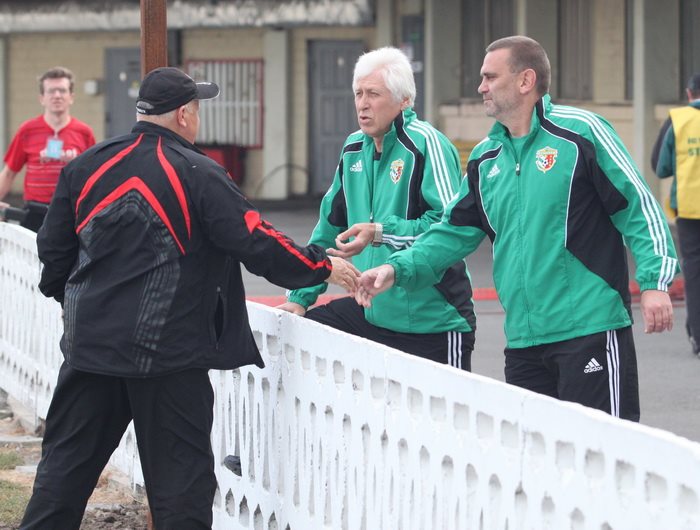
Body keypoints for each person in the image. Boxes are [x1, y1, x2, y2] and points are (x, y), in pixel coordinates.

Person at [21, 66, 359, 529]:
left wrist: (84, 305)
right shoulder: (198, 172)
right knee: (181, 488)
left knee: (63, 473)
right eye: (196, 110)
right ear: (184, 114)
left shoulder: (87, 164)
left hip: (90, 350)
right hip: (168, 358)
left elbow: (53, 251)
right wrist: (321, 266)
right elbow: (256, 241)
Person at [356, 36, 679, 421]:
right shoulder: (485, 158)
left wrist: (655, 282)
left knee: (602, 452)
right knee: (535, 454)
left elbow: (637, 206)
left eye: (490, 77)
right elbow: (450, 232)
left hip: (589, 328)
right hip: (524, 342)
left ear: (526, 80)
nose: (481, 87)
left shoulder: (580, 133)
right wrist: (395, 269)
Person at [278, 47, 476, 371]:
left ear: (404, 100)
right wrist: (299, 298)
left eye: (373, 94)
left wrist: (380, 233)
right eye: (358, 94)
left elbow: (448, 228)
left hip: (431, 323)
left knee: (438, 408)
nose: (362, 104)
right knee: (305, 333)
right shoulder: (353, 148)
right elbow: (328, 231)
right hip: (372, 314)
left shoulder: (427, 144)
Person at [0, 66, 95, 232]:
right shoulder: (27, 130)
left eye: (62, 90)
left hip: (71, 212)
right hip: (34, 214)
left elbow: (95, 176)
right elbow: (8, 173)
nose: (57, 95)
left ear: (71, 97)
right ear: (42, 98)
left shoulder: (84, 133)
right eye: (51, 91)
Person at [652, 73, 700, 356]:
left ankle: (698, 335)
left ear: (688, 92)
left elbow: (660, 167)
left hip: (690, 210)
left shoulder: (678, 120)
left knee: (694, 271)